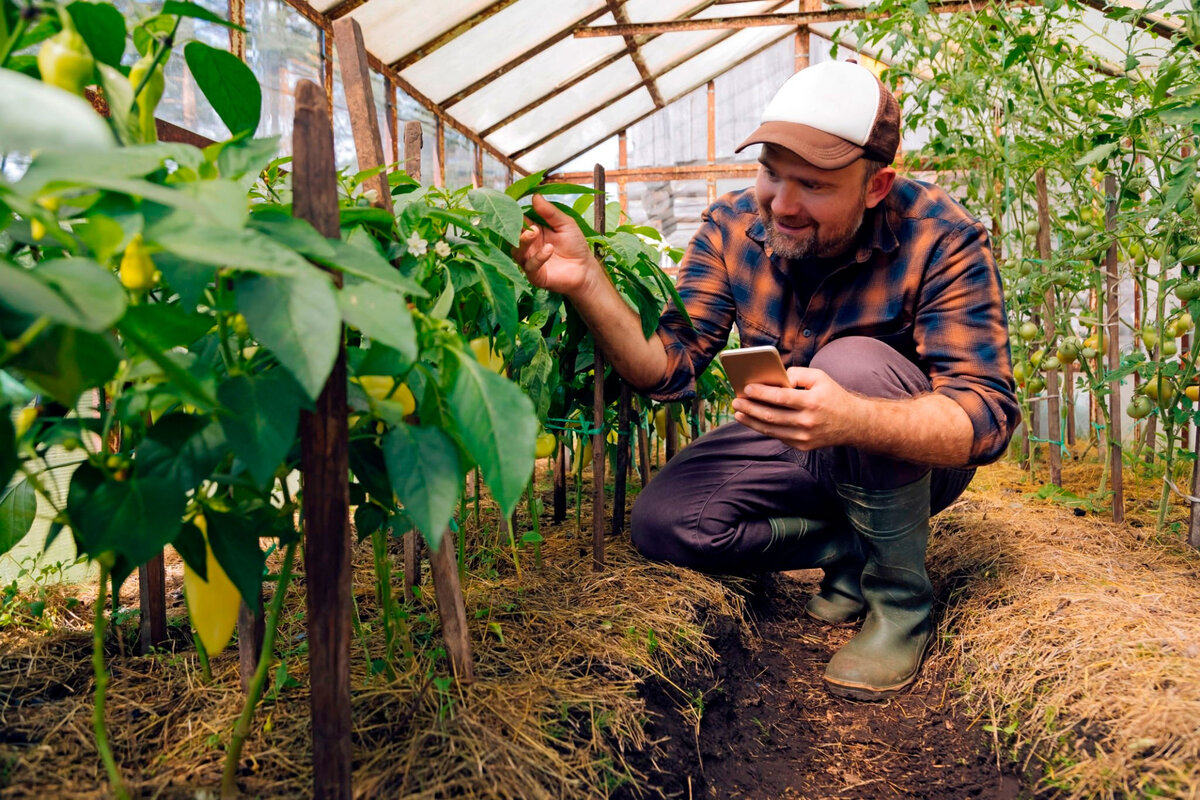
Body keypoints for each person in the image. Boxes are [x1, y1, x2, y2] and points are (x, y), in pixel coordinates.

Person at [512, 60, 1019, 701]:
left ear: (874, 185)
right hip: (802, 441)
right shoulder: (732, 227)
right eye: (771, 172)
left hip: (910, 460)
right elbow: (667, 366)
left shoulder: (939, 238)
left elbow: (988, 416)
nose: (781, 203)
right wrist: (586, 282)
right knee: (666, 522)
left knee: (851, 361)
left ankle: (900, 604)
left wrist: (854, 418)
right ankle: (849, 549)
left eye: (811, 185)